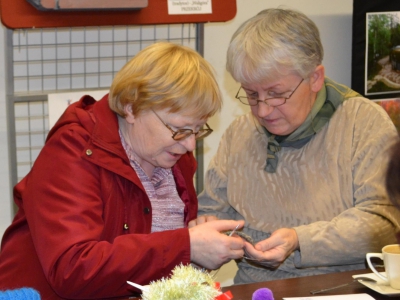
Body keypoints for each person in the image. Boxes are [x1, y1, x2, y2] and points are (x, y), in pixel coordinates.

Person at [0, 42, 245, 299]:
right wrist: (186, 245)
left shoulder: (173, 154)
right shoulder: (75, 148)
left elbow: (159, 264)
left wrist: (198, 238)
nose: (190, 144)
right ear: (131, 107)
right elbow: (72, 269)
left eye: (198, 129)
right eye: (180, 129)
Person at [194, 8, 400, 284]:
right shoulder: (240, 133)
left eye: (277, 94)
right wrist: (207, 231)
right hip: (256, 288)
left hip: (342, 286)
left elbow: (384, 224)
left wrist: (300, 240)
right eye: (252, 94)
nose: (263, 110)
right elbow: (213, 212)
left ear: (315, 78)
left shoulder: (362, 123)